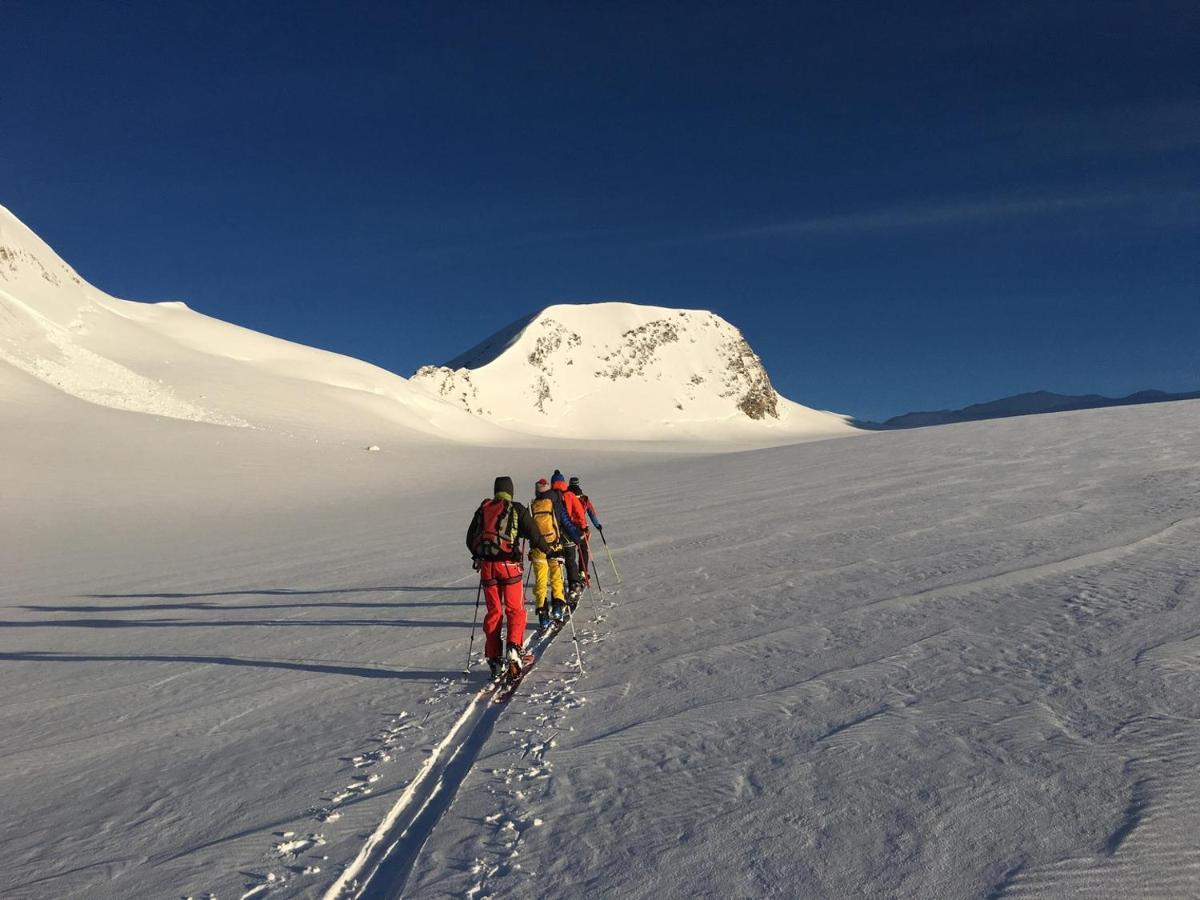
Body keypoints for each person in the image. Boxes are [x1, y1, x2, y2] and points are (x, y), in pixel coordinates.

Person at [466, 475, 552, 680]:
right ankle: (514, 649)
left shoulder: (483, 509)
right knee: (515, 610)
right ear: (510, 491)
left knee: (494, 612)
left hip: (487, 568)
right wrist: (548, 550)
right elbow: (534, 534)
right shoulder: (517, 508)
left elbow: (470, 539)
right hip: (509, 567)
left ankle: (494, 657)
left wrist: (480, 555)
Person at [529, 478, 567, 628]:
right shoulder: (554, 503)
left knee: (541, 581)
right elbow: (561, 522)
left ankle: (543, 617)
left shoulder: (532, 506)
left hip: (538, 549)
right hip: (554, 546)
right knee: (556, 577)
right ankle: (557, 608)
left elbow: (529, 530)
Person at [549, 470, 588, 609]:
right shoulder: (570, 495)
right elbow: (579, 512)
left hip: (554, 535)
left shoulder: (550, 497)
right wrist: (583, 528)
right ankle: (574, 585)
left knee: (557, 564)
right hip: (570, 532)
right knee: (570, 560)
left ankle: (558, 592)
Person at [568, 475, 603, 583]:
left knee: (570, 553)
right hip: (582, 528)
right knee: (583, 550)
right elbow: (591, 513)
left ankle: (572, 576)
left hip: (568, 528)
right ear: (578, 484)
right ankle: (583, 572)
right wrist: (597, 525)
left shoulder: (565, 496)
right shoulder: (584, 498)